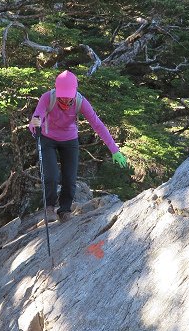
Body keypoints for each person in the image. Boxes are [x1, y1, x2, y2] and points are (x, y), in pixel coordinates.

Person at [29, 70, 128, 223]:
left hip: (69, 140)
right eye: (63, 97)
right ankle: (49, 208)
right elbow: (37, 117)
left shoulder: (80, 101)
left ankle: (65, 210)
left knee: (70, 178)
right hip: (48, 139)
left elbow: (97, 125)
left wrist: (114, 150)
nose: (66, 101)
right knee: (52, 176)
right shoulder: (48, 98)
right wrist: (35, 124)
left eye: (69, 97)